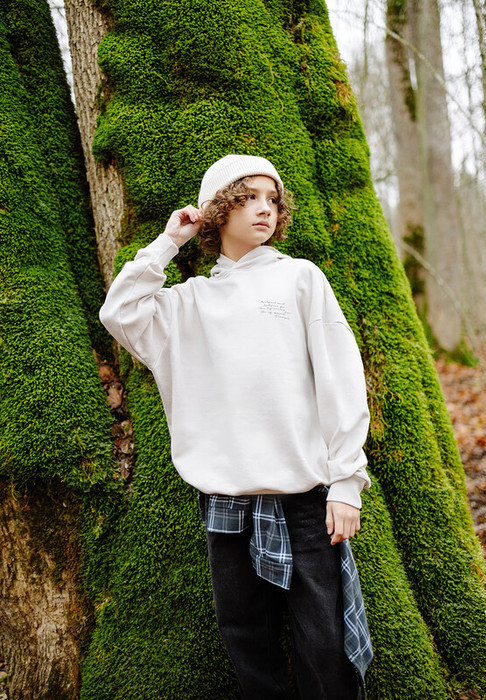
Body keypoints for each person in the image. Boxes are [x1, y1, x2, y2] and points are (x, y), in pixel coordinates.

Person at [99, 154, 373, 699]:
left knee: (325, 645)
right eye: (248, 197)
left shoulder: (300, 278)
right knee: (246, 639)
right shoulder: (188, 304)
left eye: (272, 199)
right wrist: (169, 242)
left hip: (306, 504)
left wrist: (347, 482)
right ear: (218, 209)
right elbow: (119, 312)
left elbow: (341, 380)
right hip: (225, 505)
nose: (264, 209)